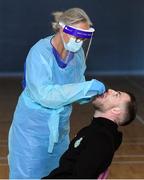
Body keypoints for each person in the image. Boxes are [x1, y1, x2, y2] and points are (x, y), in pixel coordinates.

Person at [8, 8, 106, 179]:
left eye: (84, 37)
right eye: (77, 35)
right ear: (62, 29)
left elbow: (75, 86)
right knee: (28, 173)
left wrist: (88, 94)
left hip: (60, 128)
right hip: (32, 129)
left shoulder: (78, 54)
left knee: (59, 172)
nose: (80, 41)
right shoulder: (40, 52)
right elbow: (44, 95)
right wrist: (83, 88)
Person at [43, 89, 137, 179]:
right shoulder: (95, 131)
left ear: (115, 110)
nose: (110, 90)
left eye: (116, 95)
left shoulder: (101, 139)